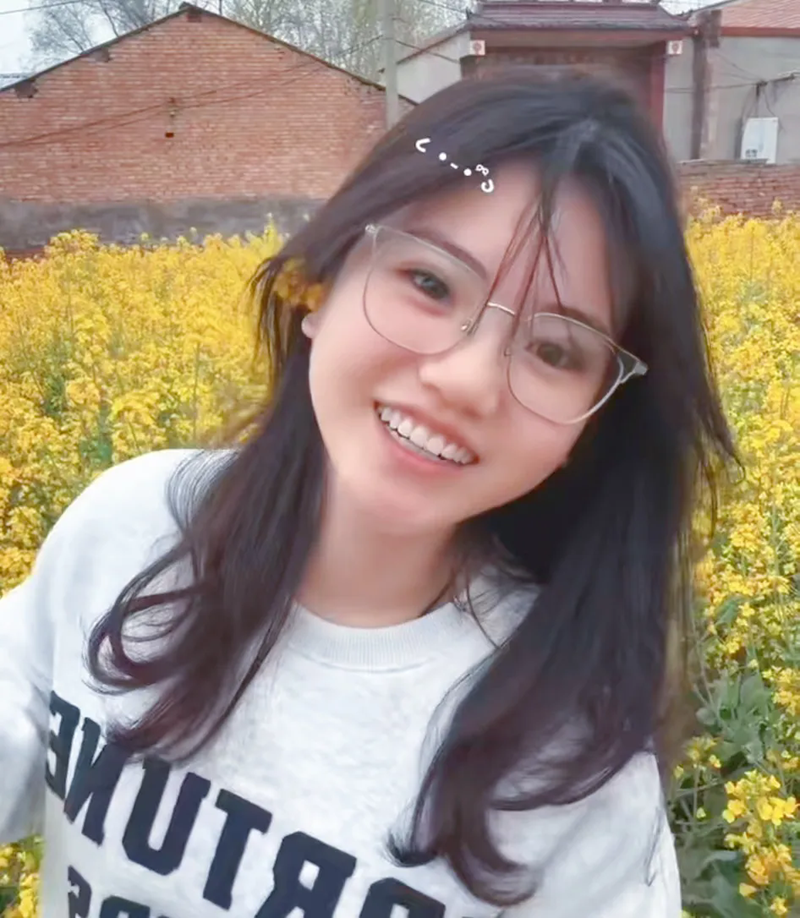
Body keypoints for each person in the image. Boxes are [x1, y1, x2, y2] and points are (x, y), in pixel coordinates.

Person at [0, 67, 733, 918]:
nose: (465, 381)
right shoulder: (129, 532)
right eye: (431, 283)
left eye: (554, 351)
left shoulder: (577, 769)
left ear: (593, 423)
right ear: (322, 281)